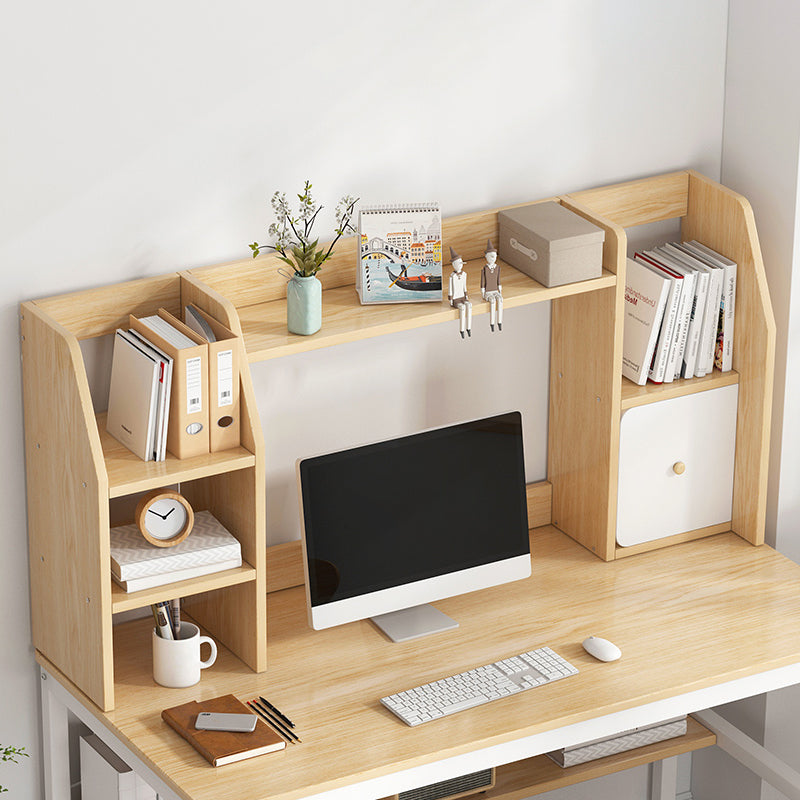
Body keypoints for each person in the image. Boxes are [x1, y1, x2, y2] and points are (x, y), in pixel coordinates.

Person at [448, 246, 472, 338]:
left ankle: (469, 328)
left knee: (469, 306)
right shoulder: (452, 277)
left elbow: (464, 286)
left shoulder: (464, 274)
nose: (460, 265)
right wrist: (450, 299)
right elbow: (450, 289)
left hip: (463, 296)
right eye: (458, 263)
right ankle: (462, 330)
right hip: (456, 299)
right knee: (462, 308)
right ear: (454, 264)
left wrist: (466, 295)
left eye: (461, 263)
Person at [481, 239, 503, 331]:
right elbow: (483, 282)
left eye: (494, 256)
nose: (492, 258)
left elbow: (498, 279)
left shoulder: (497, 268)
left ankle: (500, 322)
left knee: (500, 299)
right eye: (490, 256)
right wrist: (483, 292)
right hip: (488, 292)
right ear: (486, 257)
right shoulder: (485, 269)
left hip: (495, 290)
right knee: (492, 302)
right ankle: (492, 323)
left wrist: (500, 288)